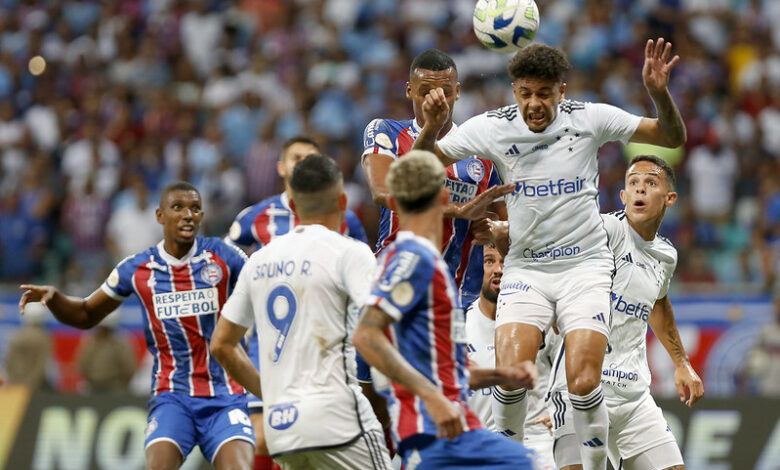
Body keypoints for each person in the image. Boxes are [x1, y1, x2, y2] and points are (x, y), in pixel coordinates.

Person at [413, 39, 687, 470]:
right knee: (511, 374)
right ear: (514, 91)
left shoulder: (589, 117)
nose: (534, 104)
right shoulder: (494, 126)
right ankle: (504, 460)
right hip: (528, 269)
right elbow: (416, 170)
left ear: (562, 90)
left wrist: (658, 93)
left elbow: (670, 135)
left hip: (585, 268)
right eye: (525, 94)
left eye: (544, 94)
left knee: (581, 382)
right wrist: (430, 129)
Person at [19, 181, 254, 470]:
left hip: (225, 396)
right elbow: (85, 315)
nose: (188, 215)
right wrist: (55, 299)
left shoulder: (225, 256)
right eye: (178, 207)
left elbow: (264, 288)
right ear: (160, 216)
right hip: (173, 397)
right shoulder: (137, 268)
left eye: (195, 208)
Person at [353, 150, 538, 469]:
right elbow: (365, 336)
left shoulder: (436, 265)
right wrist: (433, 398)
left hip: (455, 429)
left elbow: (446, 368)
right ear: (444, 197)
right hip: (433, 431)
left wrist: (504, 374)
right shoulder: (413, 257)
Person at [210, 154, 392, 470]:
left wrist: (271, 393)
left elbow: (221, 344)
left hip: (282, 426)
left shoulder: (260, 261)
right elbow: (380, 327)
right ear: (343, 201)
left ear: (292, 206)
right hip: (337, 418)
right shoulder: (350, 252)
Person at [546, 155, 704, 470]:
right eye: (633, 183)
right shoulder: (605, 230)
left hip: (632, 396)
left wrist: (681, 363)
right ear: (623, 196)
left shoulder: (665, 256)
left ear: (669, 198)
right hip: (579, 388)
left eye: (650, 182)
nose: (639, 189)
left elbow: (658, 303)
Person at [362, 48, 509, 306]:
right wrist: (457, 210)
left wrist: (491, 229)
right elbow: (383, 193)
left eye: (446, 92)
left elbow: (501, 221)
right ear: (409, 91)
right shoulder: (386, 131)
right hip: (393, 282)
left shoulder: (480, 150)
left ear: (458, 92)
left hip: (458, 296)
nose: (436, 100)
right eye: (425, 92)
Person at [465, 244, 558, 470]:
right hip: (479, 447)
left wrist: (561, 411)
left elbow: (572, 370)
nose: (498, 269)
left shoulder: (543, 318)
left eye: (505, 261)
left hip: (536, 443)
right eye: (489, 261)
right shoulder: (460, 324)